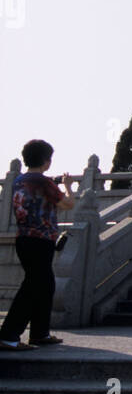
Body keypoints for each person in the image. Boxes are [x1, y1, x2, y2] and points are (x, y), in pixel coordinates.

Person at [0, 139, 75, 350]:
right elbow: (67, 204)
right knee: (33, 286)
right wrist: (68, 187)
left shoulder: (19, 180)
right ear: (46, 161)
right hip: (40, 241)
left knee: (44, 285)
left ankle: (40, 333)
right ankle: (8, 335)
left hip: (23, 239)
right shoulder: (43, 182)